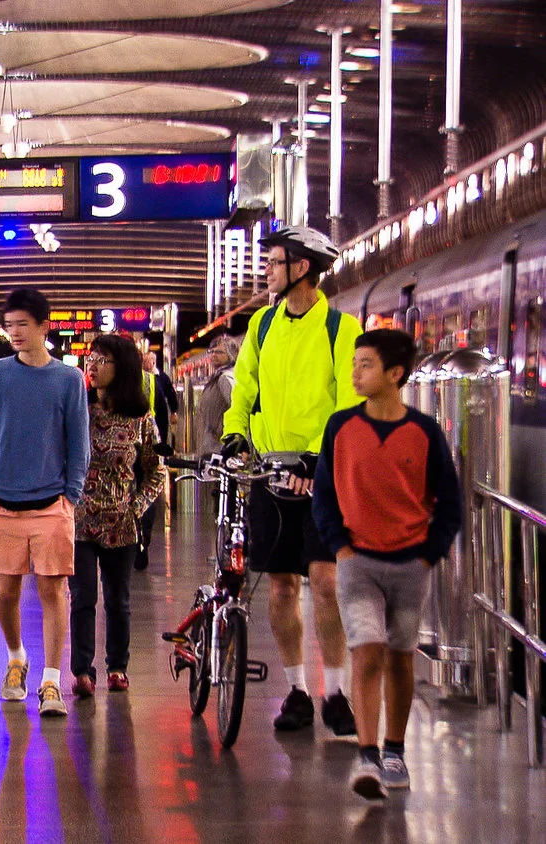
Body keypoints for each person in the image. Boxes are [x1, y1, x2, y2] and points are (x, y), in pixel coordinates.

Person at [222, 224, 363, 735]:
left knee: (325, 583)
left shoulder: (340, 330)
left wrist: (317, 459)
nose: (267, 271)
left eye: (276, 262)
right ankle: (298, 690)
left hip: (323, 476)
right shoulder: (261, 326)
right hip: (269, 471)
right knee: (281, 586)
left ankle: (338, 693)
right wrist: (236, 434)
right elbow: (244, 392)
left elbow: (350, 402)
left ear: (302, 268)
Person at [312, 329, 461, 799]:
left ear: (395, 374)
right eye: (354, 362)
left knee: (400, 657)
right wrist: (340, 547)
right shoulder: (340, 427)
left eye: (366, 364)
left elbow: (449, 502)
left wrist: (428, 555)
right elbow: (324, 495)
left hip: (409, 566)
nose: (355, 372)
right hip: (358, 563)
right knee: (367, 648)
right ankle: (368, 754)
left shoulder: (424, 432)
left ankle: (395, 750)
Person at [0, 288, 90, 717]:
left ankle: (51, 681)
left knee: (53, 590)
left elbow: (79, 442)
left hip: (51, 504)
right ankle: (16, 657)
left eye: (23, 324)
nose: (15, 333)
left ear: (45, 327)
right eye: (9, 326)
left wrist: (71, 496)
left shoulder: (68, 379)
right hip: (1, 501)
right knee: (5, 592)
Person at [69, 334, 163, 697]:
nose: (92, 365)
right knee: (82, 597)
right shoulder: (79, 410)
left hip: (121, 525)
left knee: (118, 599)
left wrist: (136, 507)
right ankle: (82, 670)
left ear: (121, 367)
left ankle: (118, 667)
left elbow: (157, 471)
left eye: (102, 360)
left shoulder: (140, 418)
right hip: (79, 522)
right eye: (90, 358)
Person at [135, 350, 178, 570]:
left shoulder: (111, 381)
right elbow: (161, 413)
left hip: (137, 450)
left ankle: (138, 538)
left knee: (138, 491)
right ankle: (142, 537)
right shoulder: (151, 381)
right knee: (145, 493)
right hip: (150, 447)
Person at [195, 335, 241, 456]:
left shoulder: (226, 378)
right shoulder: (217, 377)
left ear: (232, 354)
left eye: (219, 352)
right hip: (211, 447)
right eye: (212, 351)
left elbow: (237, 408)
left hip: (220, 449)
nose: (214, 355)